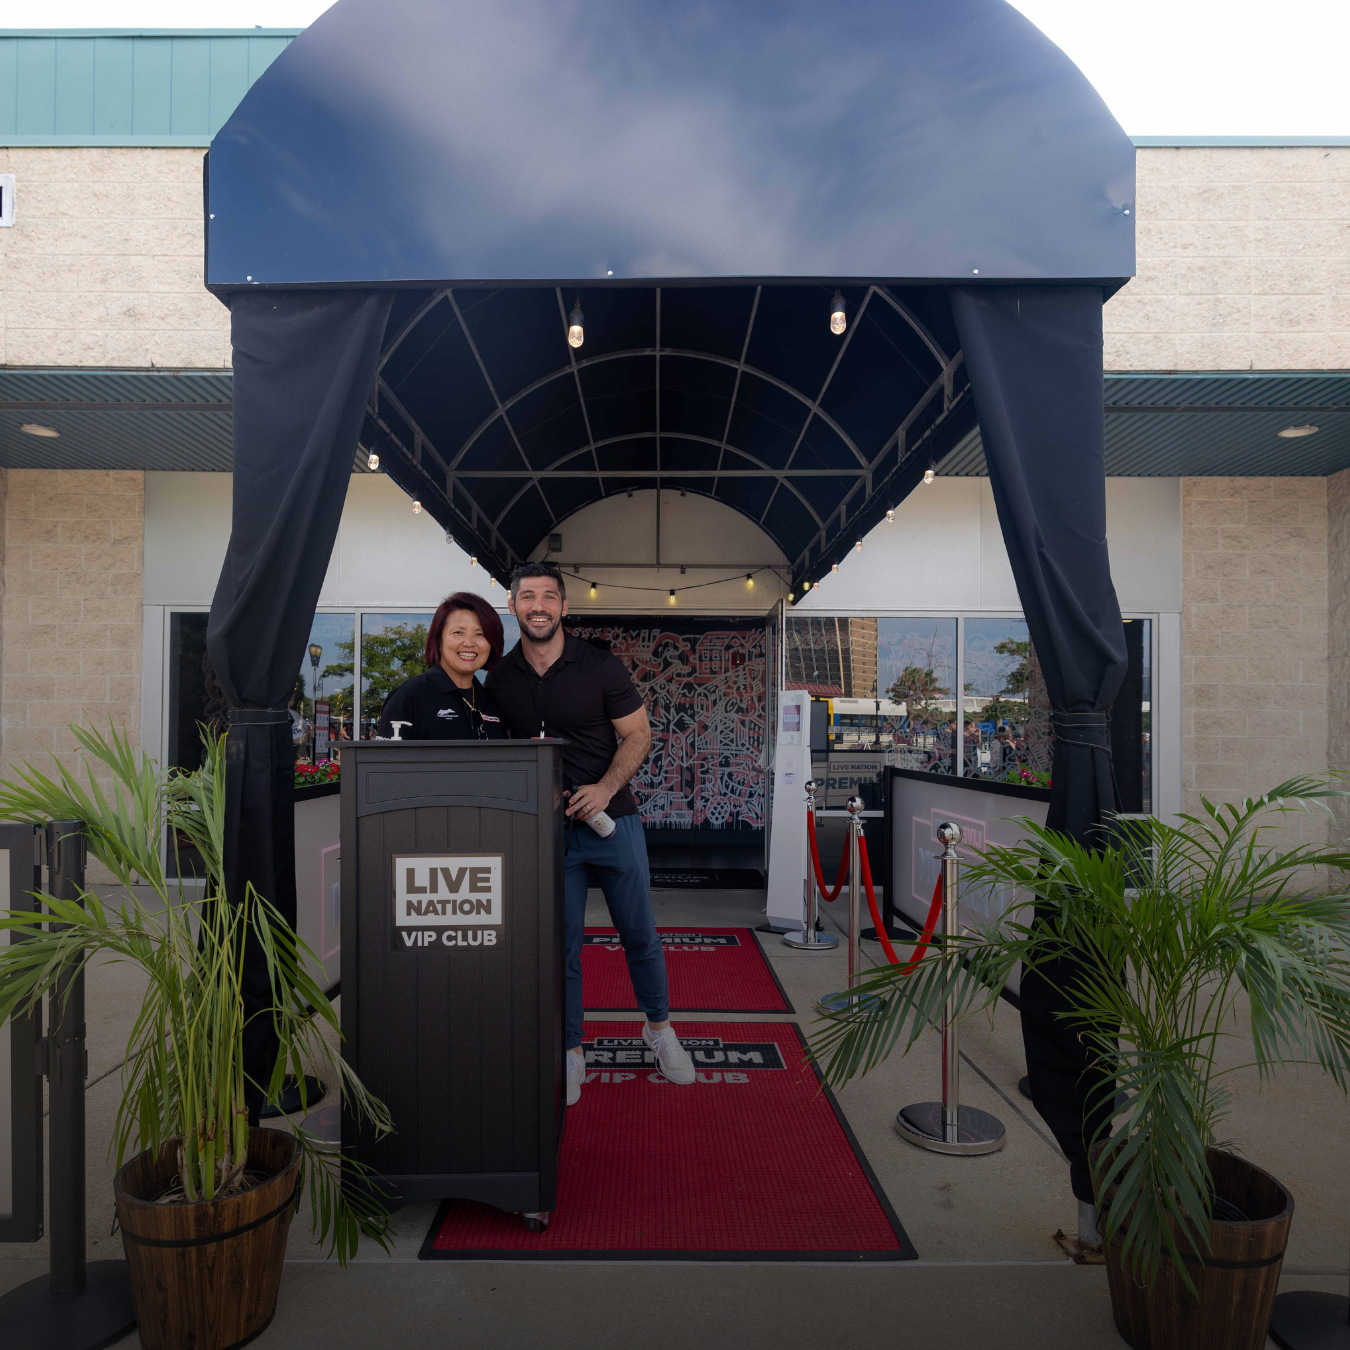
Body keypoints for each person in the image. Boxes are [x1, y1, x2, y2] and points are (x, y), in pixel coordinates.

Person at [487, 562, 695, 1105]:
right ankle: (571, 1048)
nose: (538, 606)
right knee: (562, 943)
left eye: (548, 597)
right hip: (548, 832)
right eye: (527, 597)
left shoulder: (600, 665)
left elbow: (639, 734)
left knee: (640, 933)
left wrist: (604, 787)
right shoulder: (500, 678)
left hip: (612, 820)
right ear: (513, 606)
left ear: (564, 606)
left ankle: (659, 1029)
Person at [377, 591, 509, 740]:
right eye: (458, 632)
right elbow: (386, 755)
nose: (469, 643)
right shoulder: (409, 697)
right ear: (439, 640)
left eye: (480, 634)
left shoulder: (490, 702)